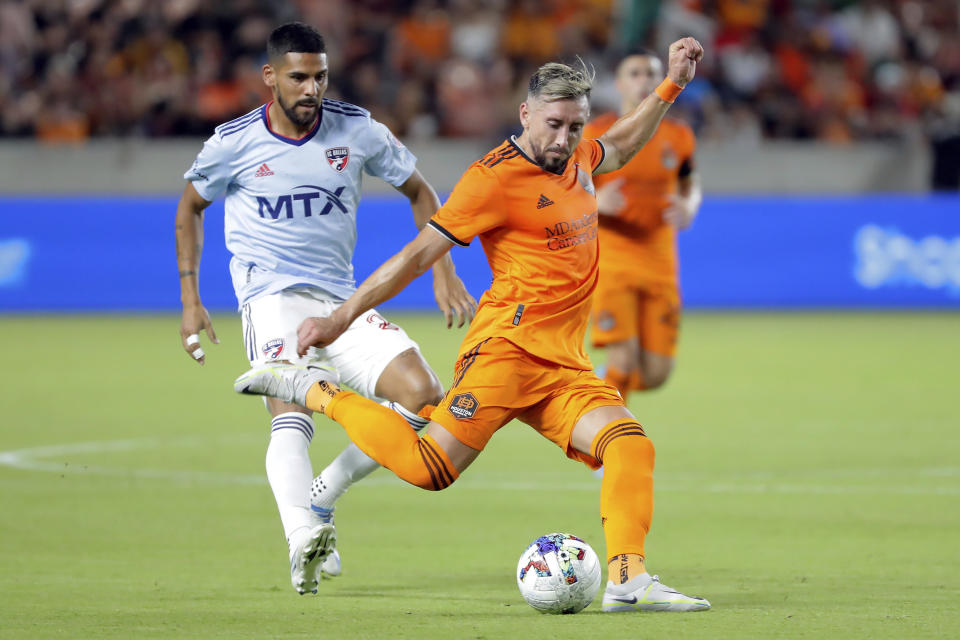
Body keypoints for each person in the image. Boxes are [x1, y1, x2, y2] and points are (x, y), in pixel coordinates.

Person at [235, 37, 710, 612]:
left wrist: (672, 85)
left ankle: (629, 582)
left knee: (630, 446)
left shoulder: (578, 156)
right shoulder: (492, 179)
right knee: (428, 469)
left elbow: (623, 143)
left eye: (575, 126)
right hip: (504, 354)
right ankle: (312, 389)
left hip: (561, 363)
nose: (564, 139)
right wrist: (339, 318)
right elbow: (416, 255)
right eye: (554, 124)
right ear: (526, 114)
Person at [174, 22, 476, 596]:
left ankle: (323, 495)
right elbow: (190, 207)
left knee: (424, 398)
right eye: (297, 77)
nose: (311, 88)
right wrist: (191, 300)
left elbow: (421, 192)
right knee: (293, 410)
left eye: (319, 76)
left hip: (341, 299)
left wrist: (444, 269)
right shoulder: (234, 143)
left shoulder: (356, 130)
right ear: (270, 78)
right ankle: (299, 537)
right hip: (271, 298)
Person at [585, 49, 702, 397]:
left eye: (652, 73)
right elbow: (560, 192)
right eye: (635, 73)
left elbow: (689, 182)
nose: (645, 81)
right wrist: (595, 201)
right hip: (613, 258)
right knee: (623, 358)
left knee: (655, 373)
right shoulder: (597, 134)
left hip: (660, 259)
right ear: (620, 84)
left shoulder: (678, 136)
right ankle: (607, 437)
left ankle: (590, 389)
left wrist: (690, 205)